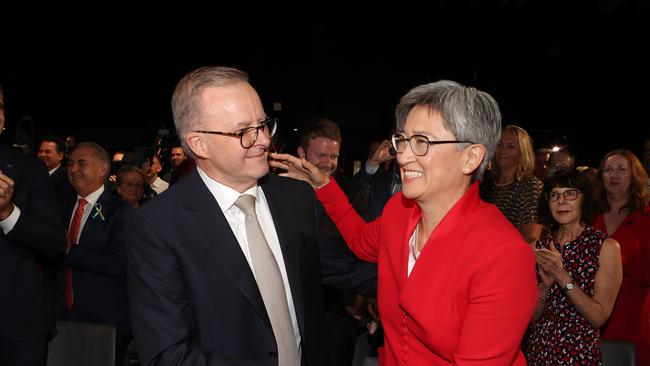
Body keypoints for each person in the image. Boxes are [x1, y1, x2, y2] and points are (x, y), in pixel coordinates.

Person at [271, 80, 538, 365]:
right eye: (403, 140)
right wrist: (323, 184)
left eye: (422, 142)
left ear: (471, 158)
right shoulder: (400, 212)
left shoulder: (503, 256)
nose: (404, 156)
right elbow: (360, 241)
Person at [125, 66, 330, 365]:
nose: (262, 140)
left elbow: (355, 269)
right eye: (244, 131)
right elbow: (168, 354)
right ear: (199, 144)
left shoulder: (297, 198)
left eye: (263, 125)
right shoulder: (158, 226)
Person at [524, 169, 622, 365]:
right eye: (554, 195)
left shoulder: (605, 247)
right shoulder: (538, 247)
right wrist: (545, 286)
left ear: (583, 199)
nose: (561, 201)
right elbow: (531, 318)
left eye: (570, 193)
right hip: (539, 352)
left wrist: (562, 276)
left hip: (578, 354)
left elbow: (598, 317)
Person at [0, 82, 66, 365]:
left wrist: (8, 214)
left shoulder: (28, 170)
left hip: (17, 329)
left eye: (0, 107)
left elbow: (54, 242)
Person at [57, 141, 133, 366]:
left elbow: (120, 264)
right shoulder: (58, 207)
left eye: (81, 163)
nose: (73, 169)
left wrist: (70, 250)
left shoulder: (121, 213)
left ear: (103, 169)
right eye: (70, 163)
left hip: (104, 321)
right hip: (60, 316)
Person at [592, 149, 650, 365]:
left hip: (630, 318)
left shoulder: (645, 218)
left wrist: (617, 259)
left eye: (621, 170)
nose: (613, 175)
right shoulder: (589, 215)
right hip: (590, 316)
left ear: (634, 175)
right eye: (608, 170)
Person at [480, 125, 544, 244]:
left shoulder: (529, 185)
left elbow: (531, 236)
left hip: (508, 256)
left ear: (523, 152)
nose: (503, 150)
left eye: (511, 146)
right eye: (499, 144)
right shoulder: (486, 184)